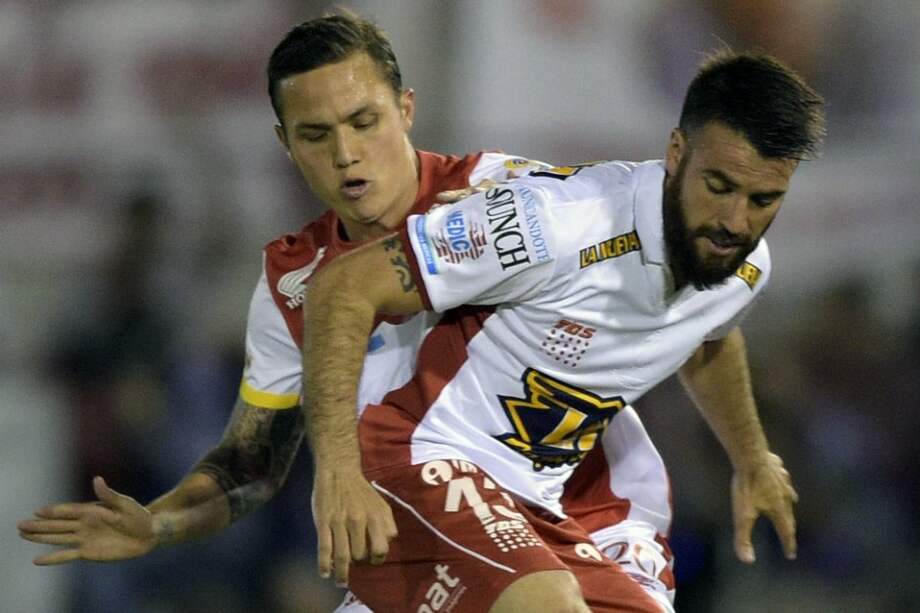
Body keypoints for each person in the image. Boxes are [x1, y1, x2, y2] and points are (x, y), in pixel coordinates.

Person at [18, 12, 687, 612]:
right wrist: (159, 524)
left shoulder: (507, 198)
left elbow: (684, 277)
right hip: (432, 545)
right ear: (286, 143)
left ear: (406, 109)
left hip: (585, 526)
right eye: (316, 135)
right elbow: (250, 463)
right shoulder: (292, 284)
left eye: (364, 122)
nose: (345, 155)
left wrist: (740, 456)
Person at [300, 49, 823, 611]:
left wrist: (752, 457)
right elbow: (342, 288)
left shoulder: (741, 268)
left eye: (763, 200)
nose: (735, 222)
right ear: (676, 152)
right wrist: (337, 472)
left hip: (536, 508)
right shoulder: (555, 221)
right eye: (718, 186)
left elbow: (710, 337)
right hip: (421, 460)